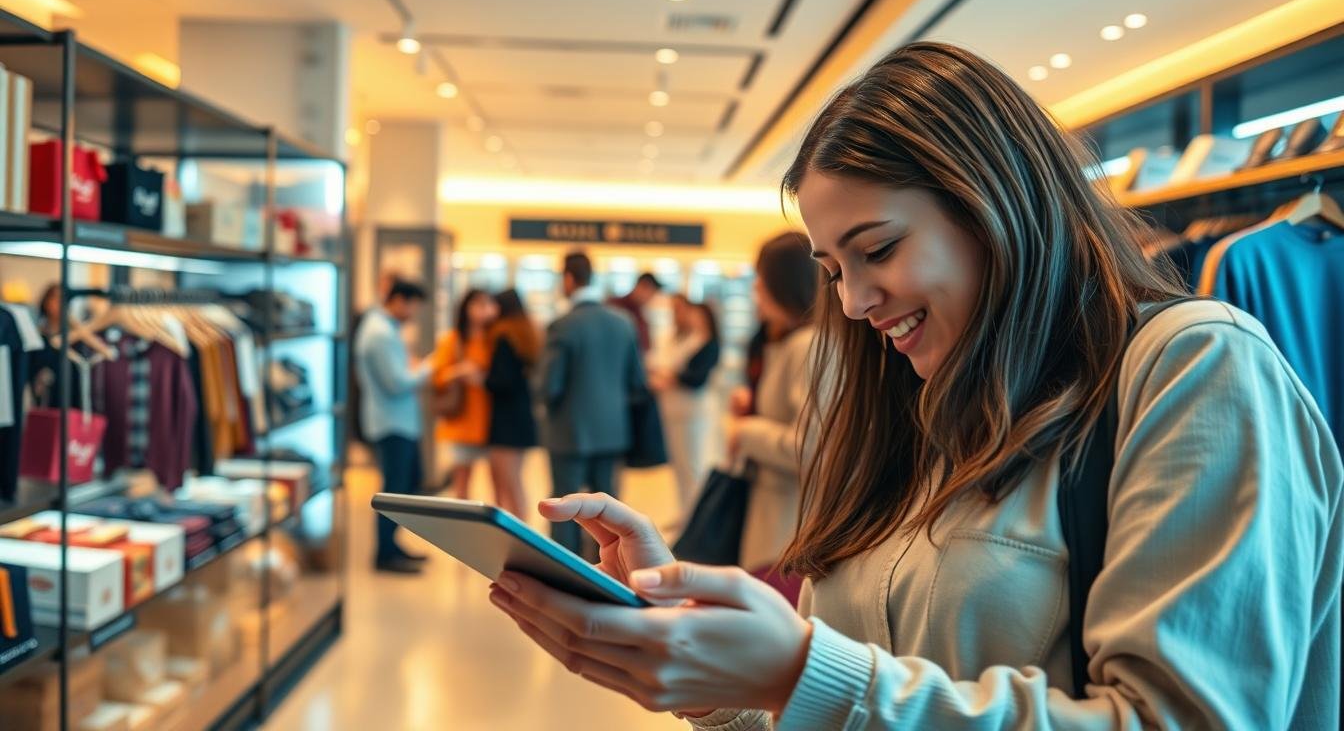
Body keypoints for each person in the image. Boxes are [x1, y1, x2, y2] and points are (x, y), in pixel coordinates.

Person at [486, 42, 1343, 729]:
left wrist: (799, 669)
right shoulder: (912, 408)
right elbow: (836, 699)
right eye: (832, 270)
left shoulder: (1191, 370)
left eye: (879, 250)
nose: (855, 302)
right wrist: (715, 680)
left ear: (991, 207)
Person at [540, 251, 647, 560]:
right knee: (608, 509)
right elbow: (636, 380)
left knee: (565, 506)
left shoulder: (562, 325)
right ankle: (607, 567)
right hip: (612, 430)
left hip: (568, 430)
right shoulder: (623, 322)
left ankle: (567, 568)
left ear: (569, 279)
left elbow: (550, 385)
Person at [728, 232, 820, 572]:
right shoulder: (790, 341)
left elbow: (811, 447)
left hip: (788, 519)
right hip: (778, 511)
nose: (756, 290)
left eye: (761, 279)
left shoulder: (808, 345)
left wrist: (746, 431)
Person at [353, 277, 433, 574]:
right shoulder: (379, 333)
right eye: (412, 305)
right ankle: (385, 554)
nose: (413, 312)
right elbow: (397, 383)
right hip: (391, 424)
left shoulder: (384, 329)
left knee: (402, 488)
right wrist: (429, 367)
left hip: (397, 422)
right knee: (393, 492)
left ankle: (392, 546)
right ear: (399, 300)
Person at [648, 295, 721, 516]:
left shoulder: (708, 344)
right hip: (674, 412)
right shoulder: (687, 339)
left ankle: (693, 518)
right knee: (680, 467)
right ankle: (685, 514)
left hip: (693, 414)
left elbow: (693, 379)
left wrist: (670, 377)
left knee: (692, 467)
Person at [432, 289, 498, 501]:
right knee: (461, 487)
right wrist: (460, 372)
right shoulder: (453, 340)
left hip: (491, 423)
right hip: (461, 423)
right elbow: (438, 376)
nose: (483, 310)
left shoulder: (494, 339)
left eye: (488, 304)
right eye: (478, 304)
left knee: (498, 486)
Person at [483, 289, 541, 517]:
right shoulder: (525, 333)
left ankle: (521, 537)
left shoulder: (503, 336)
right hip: (521, 414)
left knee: (509, 483)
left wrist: (482, 379)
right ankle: (518, 532)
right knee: (514, 480)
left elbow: (501, 380)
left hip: (506, 419)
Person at [608, 272, 660, 354]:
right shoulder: (615, 306)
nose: (651, 299)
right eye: (651, 293)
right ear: (642, 286)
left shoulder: (639, 312)